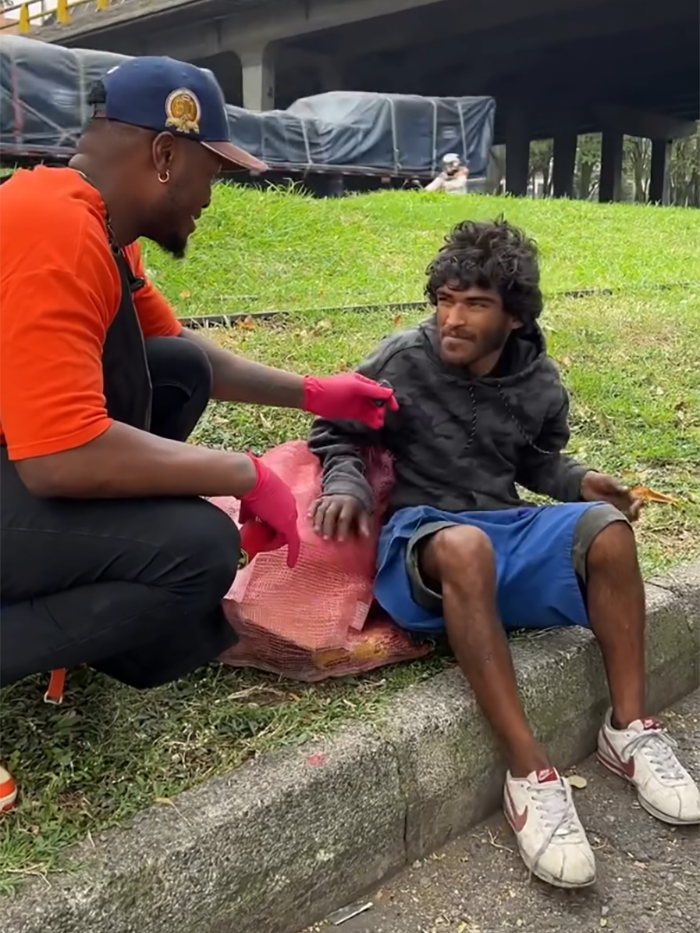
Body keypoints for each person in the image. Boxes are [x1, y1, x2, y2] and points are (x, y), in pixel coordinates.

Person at [0, 55, 397, 802]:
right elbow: (59, 457)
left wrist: (319, 394)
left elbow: (187, 361)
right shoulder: (52, 227)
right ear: (163, 154)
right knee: (197, 551)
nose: (210, 196)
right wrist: (243, 472)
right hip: (29, 463)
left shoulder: (96, 228)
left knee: (172, 367)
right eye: (211, 171)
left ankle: (57, 612)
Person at [307, 217, 700, 890]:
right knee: (464, 546)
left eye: (475, 304)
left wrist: (583, 484)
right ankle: (530, 772)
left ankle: (629, 731)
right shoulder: (402, 359)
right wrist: (344, 485)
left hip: (500, 529)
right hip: (423, 544)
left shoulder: (539, 377)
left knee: (606, 529)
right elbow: (334, 429)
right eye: (445, 300)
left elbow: (538, 462)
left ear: (514, 316)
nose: (452, 319)